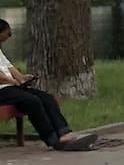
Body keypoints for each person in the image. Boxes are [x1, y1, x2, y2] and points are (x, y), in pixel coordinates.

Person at [0, 21, 96, 151]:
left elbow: (10, 69)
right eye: (7, 33)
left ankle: (64, 134)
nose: (9, 36)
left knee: (47, 98)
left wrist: (23, 78)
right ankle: (52, 140)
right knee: (32, 101)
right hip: (3, 90)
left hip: (12, 88)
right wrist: (11, 82)